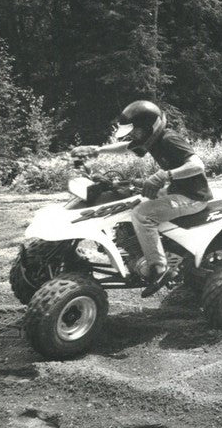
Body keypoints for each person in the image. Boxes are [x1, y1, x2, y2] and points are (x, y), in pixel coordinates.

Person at [71, 100, 212, 297]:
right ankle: (140, 253)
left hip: (192, 197)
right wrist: (96, 150)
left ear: (149, 127)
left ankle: (159, 269)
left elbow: (197, 165)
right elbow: (127, 147)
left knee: (142, 214)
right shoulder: (150, 139)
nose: (133, 135)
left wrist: (165, 175)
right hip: (174, 191)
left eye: (136, 131)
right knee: (131, 202)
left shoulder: (169, 139)